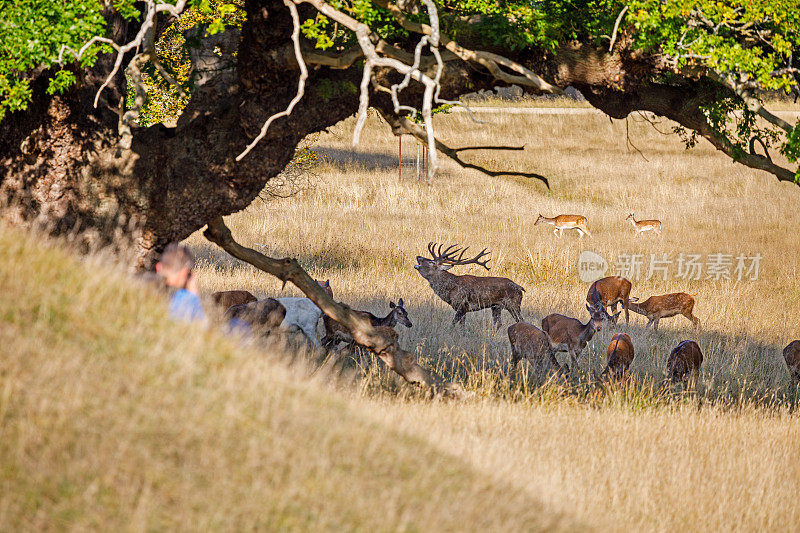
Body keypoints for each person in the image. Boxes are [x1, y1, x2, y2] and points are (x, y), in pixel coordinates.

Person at [155, 243, 206, 322]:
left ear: (159, 267)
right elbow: (203, 329)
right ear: (185, 273)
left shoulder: (138, 288)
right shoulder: (187, 301)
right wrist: (194, 295)